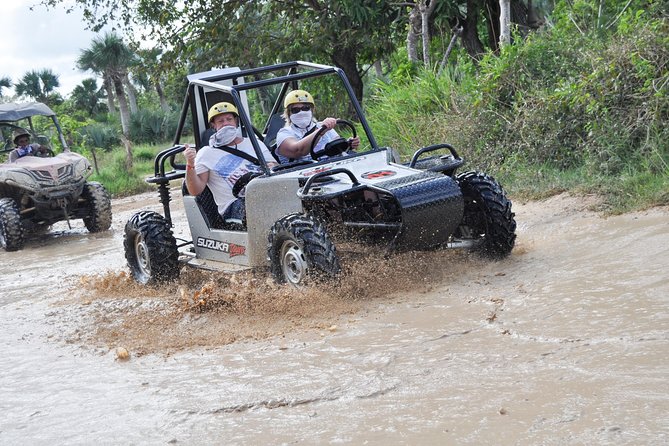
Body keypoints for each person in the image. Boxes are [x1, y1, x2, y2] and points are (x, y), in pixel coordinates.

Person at [183, 101, 276, 224]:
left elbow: (276, 168)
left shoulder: (254, 143)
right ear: (213, 126)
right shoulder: (206, 153)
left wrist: (270, 167)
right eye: (220, 121)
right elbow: (195, 190)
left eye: (229, 119)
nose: (226, 123)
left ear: (236, 121)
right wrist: (190, 164)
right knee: (265, 212)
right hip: (234, 205)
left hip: (266, 193)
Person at [275, 89, 360, 164]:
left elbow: (338, 147)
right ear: (288, 113)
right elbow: (298, 150)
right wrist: (321, 131)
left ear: (312, 110)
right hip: (304, 178)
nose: (301, 112)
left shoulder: (324, 126)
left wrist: (349, 144)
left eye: (306, 108)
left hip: (334, 170)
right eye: (295, 110)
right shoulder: (284, 133)